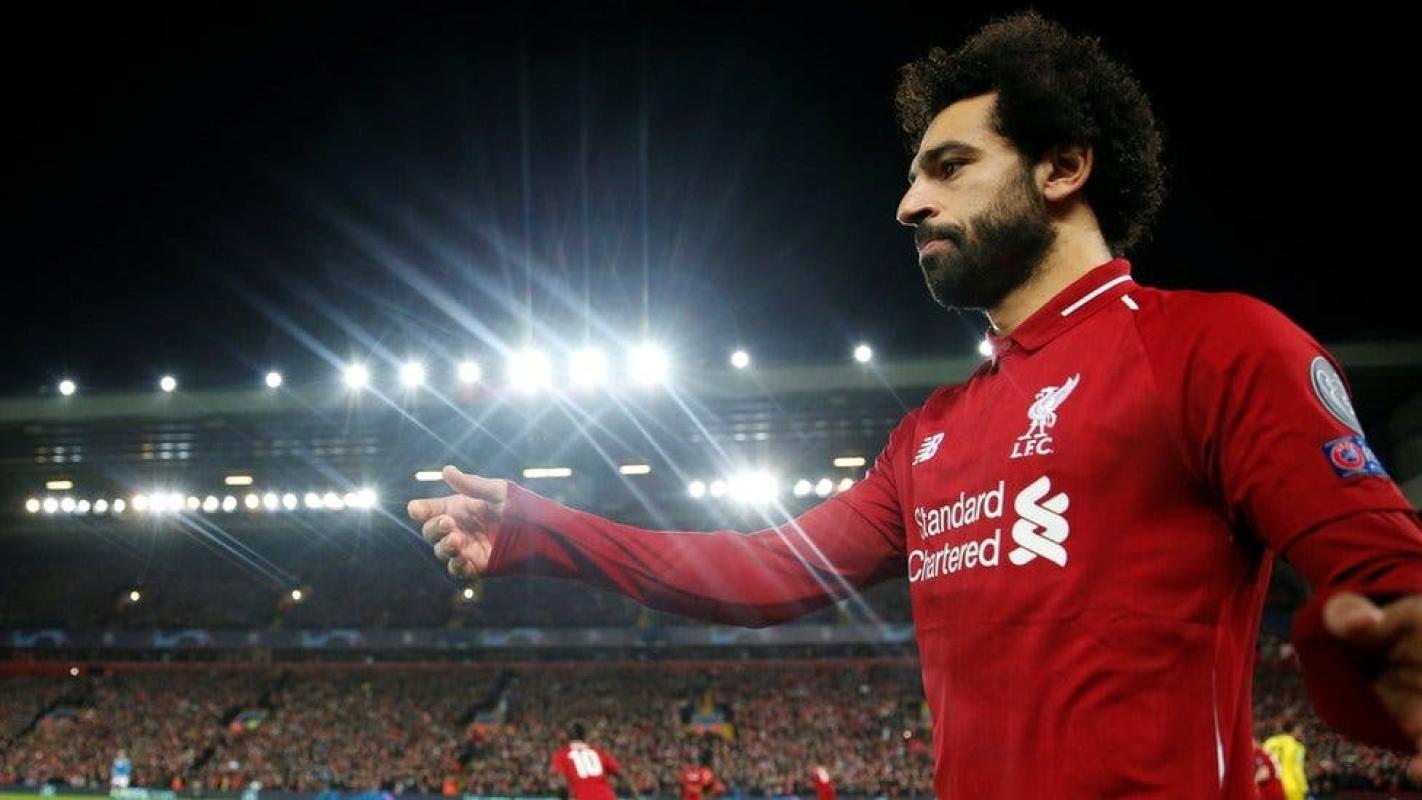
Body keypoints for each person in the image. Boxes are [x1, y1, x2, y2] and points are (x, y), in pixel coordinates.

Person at [411, 12, 1422, 798]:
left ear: (1064, 166)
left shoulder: (1217, 348)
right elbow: (762, 568)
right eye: (911, 178)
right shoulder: (930, 436)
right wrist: (541, 528)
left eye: (950, 167)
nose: (909, 204)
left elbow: (1385, 580)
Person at [549, 722, 631, 800]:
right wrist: (635, 796)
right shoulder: (599, 753)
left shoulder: (562, 755)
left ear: (568, 736)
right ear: (585, 736)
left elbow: (562, 785)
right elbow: (623, 775)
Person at [1262, 729, 1308, 800]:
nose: (1302, 734)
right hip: (1292, 787)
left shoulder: (1269, 742)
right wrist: (1304, 787)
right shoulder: (1298, 747)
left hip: (1273, 785)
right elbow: (1297, 769)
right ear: (1294, 730)